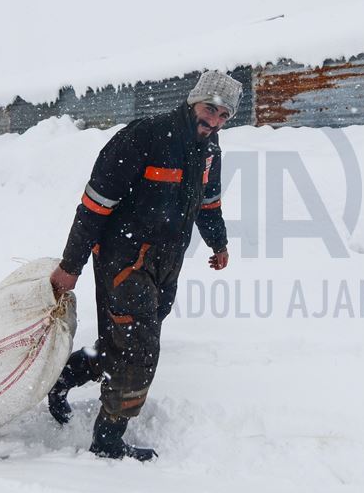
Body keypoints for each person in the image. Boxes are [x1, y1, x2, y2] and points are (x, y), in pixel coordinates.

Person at [45, 70, 241, 462]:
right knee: (140, 349)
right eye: (210, 110)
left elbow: (209, 203)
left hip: (167, 263)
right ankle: (108, 439)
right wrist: (72, 265)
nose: (214, 121)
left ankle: (60, 381)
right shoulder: (144, 137)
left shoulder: (209, 150)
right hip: (123, 259)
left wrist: (218, 242)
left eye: (224, 115)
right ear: (193, 101)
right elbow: (94, 206)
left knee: (125, 342)